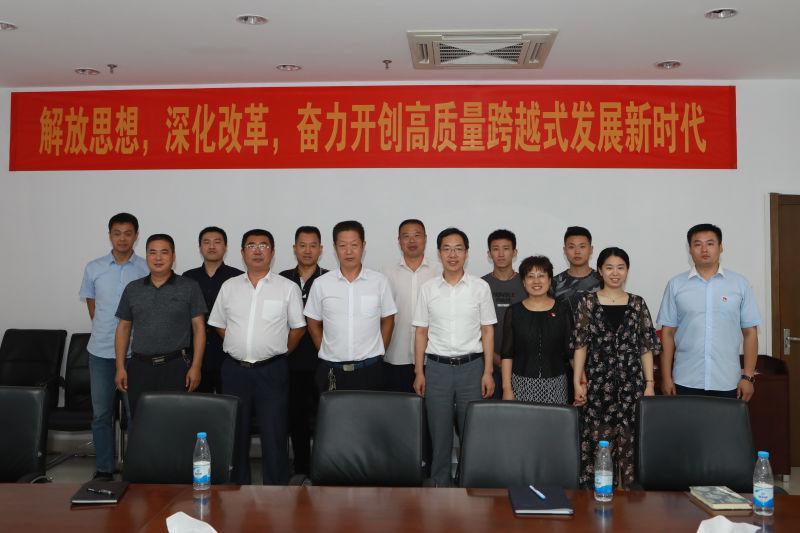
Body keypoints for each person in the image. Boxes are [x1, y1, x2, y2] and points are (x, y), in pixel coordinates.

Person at [209, 229, 306, 485]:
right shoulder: (229, 287)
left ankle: (276, 490)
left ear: (272, 252)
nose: (257, 250)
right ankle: (237, 488)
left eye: (263, 245)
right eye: (251, 245)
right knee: (235, 433)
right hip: (235, 371)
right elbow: (219, 323)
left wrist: (278, 350)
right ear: (242, 253)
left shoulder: (287, 288)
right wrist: (240, 344)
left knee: (274, 433)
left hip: (271, 371)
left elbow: (298, 328)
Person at [413, 227, 496, 487]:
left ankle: (469, 485)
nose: (453, 254)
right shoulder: (428, 289)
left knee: (472, 432)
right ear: (439, 253)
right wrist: (419, 372)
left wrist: (488, 372)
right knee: (439, 435)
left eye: (458, 249)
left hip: (472, 368)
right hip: (437, 369)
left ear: (466, 253)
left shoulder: (480, 287)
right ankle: (440, 484)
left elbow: (487, 331)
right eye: (447, 249)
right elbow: (421, 332)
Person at [572, 247, 660, 489]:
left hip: (632, 384)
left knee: (631, 440)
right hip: (598, 385)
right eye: (609, 267)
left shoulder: (638, 303)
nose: (615, 273)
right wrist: (578, 380)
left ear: (627, 271)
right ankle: (599, 494)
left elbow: (646, 347)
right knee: (598, 440)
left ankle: (630, 497)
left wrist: (649, 384)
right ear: (600, 271)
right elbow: (580, 345)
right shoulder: (587, 302)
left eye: (620, 268)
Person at [79, 212, 149, 481]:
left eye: (128, 233)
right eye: (117, 233)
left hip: (136, 354)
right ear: (109, 235)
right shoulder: (93, 268)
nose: (122, 238)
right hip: (101, 352)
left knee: (136, 415)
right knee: (101, 415)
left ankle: (136, 468)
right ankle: (104, 469)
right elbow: (93, 308)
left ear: (136, 236)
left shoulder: (145, 268)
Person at [656, 223, 761, 400]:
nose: (704, 249)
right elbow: (667, 333)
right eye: (697, 244)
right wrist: (666, 377)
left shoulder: (739, 284)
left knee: (726, 421)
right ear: (690, 250)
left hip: (728, 381)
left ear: (721, 247)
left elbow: (750, 333)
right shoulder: (676, 285)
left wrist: (748, 377)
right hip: (685, 380)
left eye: (710, 243)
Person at [113, 234, 207, 417]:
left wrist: (196, 366)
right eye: (152, 252)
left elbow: (199, 329)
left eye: (164, 252)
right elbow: (123, 328)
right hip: (140, 367)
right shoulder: (133, 288)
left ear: (173, 256)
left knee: (175, 423)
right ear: (146, 256)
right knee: (142, 421)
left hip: (176, 367)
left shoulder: (189, 287)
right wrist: (120, 367)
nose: (158, 258)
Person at [304, 220, 396, 392]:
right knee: (331, 411)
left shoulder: (379, 282)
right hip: (332, 370)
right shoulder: (321, 284)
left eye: (354, 245)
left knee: (370, 410)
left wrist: (379, 352)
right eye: (342, 245)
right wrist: (327, 350)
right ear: (335, 248)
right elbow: (313, 322)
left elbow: (388, 319)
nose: (348, 251)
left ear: (363, 246)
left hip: (370, 370)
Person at [279, 226, 328, 476]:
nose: (307, 250)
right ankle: (301, 468)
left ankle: (323, 467)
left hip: (323, 361)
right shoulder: (281, 279)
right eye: (302, 245)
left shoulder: (330, 279)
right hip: (290, 361)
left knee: (325, 418)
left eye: (313, 245)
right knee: (296, 416)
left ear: (321, 249)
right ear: (294, 248)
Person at [501, 256, 572, 404]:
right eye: (530, 276)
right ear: (523, 282)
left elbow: (571, 351)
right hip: (521, 384)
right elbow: (507, 354)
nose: (536, 281)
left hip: (556, 384)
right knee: (523, 420)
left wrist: (580, 381)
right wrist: (507, 388)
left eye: (541, 276)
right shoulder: (514, 312)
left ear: (549, 280)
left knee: (554, 420)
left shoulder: (563, 309)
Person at [383, 219, 441, 392]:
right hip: (396, 354)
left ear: (425, 238)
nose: (412, 240)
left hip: (432, 356)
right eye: (406, 236)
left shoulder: (439, 271)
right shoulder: (386, 272)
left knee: (430, 406)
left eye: (417, 235)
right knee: (398, 406)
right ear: (399, 241)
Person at [183, 226, 243, 393]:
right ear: (200, 247)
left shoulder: (238, 278)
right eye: (206, 242)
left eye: (217, 242)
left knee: (230, 403)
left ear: (225, 247)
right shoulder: (188, 278)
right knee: (198, 406)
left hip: (228, 356)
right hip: (195, 357)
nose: (211, 246)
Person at [482, 229, 527, 398]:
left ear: (514, 252)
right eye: (495, 249)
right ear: (489, 253)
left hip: (521, 365)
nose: (501, 254)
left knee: (520, 411)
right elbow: (473, 327)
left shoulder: (527, 283)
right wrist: (495, 359)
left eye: (506, 248)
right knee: (489, 412)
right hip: (487, 364)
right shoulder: (480, 285)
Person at [550, 226, 602, 314]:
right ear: (565, 250)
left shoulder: (603, 281)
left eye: (582, 246)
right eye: (571, 247)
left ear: (591, 249)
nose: (577, 252)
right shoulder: (554, 283)